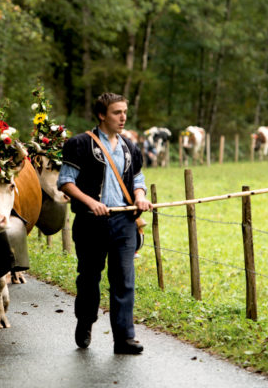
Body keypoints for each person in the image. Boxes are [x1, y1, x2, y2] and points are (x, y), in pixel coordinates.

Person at [57, 92, 153, 355]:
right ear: (102, 115)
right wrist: (90, 202)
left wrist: (140, 197)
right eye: (116, 112)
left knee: (124, 279)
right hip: (91, 223)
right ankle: (85, 320)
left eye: (124, 112)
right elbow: (65, 181)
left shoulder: (130, 146)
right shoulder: (79, 144)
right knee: (89, 278)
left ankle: (124, 338)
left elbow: (138, 179)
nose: (123, 117)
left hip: (124, 221)